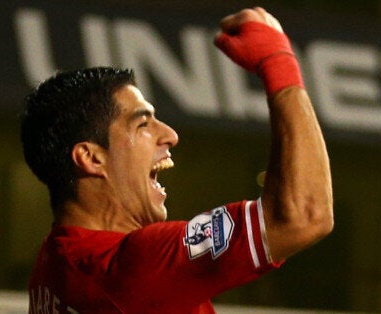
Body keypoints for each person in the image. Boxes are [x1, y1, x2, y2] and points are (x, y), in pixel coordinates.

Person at [21, 7, 333, 314]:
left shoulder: (53, 262)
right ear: (91, 157)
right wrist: (278, 63)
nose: (170, 134)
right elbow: (304, 214)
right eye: (143, 123)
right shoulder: (132, 268)